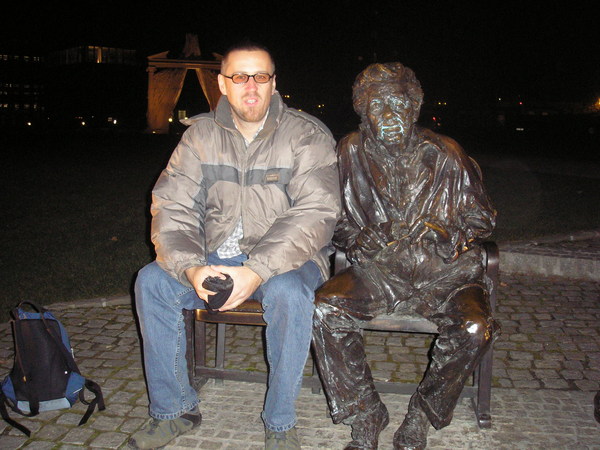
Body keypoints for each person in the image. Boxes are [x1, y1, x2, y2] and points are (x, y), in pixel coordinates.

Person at [130, 41, 340, 450]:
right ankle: (174, 410)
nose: (251, 86)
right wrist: (191, 266)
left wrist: (257, 270)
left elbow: (316, 211)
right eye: (239, 77)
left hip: (288, 260)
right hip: (213, 255)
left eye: (260, 76)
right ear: (222, 84)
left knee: (288, 294)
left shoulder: (306, 135)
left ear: (274, 83)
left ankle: (280, 423)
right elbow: (173, 206)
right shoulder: (200, 136)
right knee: (152, 282)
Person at [311, 62, 500, 449]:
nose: (389, 115)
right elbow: (334, 218)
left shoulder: (446, 154)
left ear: (414, 108)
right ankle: (365, 412)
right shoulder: (350, 150)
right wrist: (357, 239)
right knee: (326, 308)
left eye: (398, 104)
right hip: (380, 272)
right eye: (377, 105)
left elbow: (482, 218)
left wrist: (445, 231)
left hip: (445, 273)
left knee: (473, 327)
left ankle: (422, 414)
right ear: (363, 111)